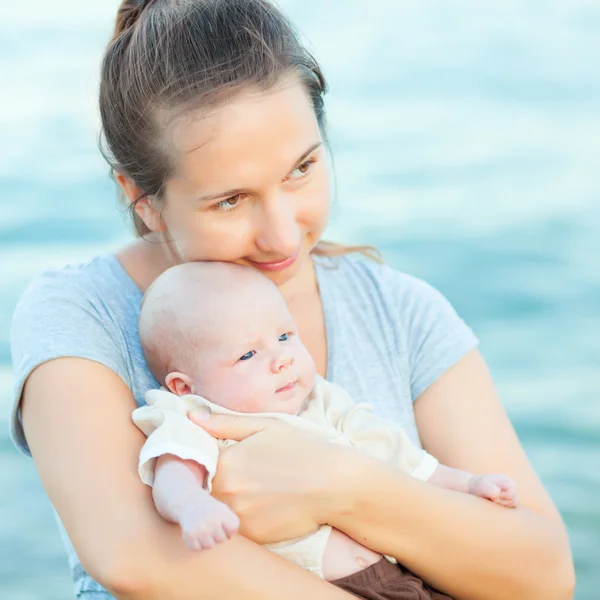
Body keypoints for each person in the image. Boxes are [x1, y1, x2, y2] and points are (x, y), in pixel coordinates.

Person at [9, 1, 574, 599]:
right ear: (142, 198)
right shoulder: (81, 312)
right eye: (230, 200)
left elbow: (543, 578)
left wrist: (339, 481)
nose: (283, 235)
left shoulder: (398, 311)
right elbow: (134, 556)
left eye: (301, 168)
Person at [132, 260, 519, 597]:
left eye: (284, 336)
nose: (281, 359)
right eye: (248, 354)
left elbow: (403, 459)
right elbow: (174, 473)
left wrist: (468, 484)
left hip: (402, 577)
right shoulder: (195, 417)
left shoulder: (323, 401)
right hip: (323, 587)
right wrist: (193, 507)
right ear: (185, 385)